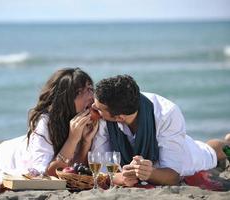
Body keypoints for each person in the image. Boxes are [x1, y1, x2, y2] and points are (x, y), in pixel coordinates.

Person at [0, 67, 98, 180]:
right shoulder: (46, 122)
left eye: (90, 89)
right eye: (79, 92)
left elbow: (74, 170)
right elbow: (47, 174)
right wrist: (72, 139)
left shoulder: (90, 123)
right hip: (2, 159)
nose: (90, 96)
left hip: (20, 148)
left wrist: (85, 142)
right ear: (65, 99)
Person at [91, 74, 230, 186]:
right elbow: (100, 168)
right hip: (165, 148)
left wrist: (149, 173)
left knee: (210, 152)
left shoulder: (167, 114)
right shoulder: (105, 116)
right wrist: (121, 178)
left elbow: (173, 176)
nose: (92, 107)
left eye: (98, 108)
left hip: (185, 155)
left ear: (119, 117)